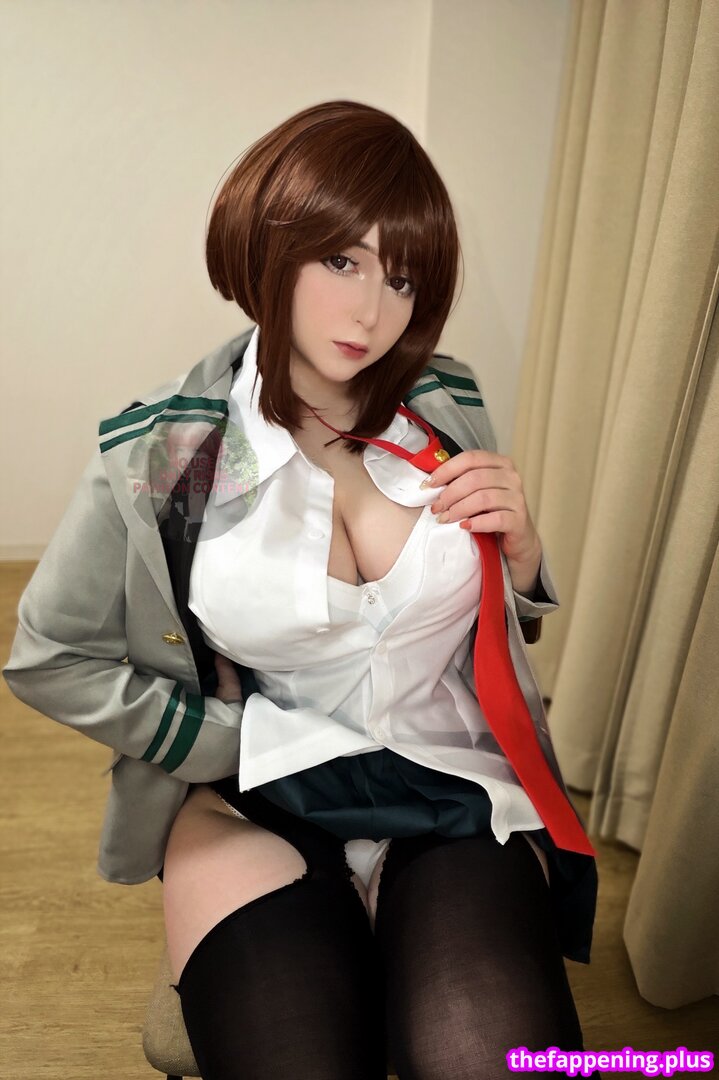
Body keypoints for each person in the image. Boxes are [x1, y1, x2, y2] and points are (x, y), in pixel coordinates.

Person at [4, 100, 599, 1080]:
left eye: (401, 277)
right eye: (339, 261)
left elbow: (493, 618)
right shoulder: (164, 456)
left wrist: (523, 558)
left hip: (452, 784)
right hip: (257, 801)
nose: (372, 313)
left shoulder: (447, 400)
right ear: (267, 245)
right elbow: (47, 658)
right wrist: (222, 741)